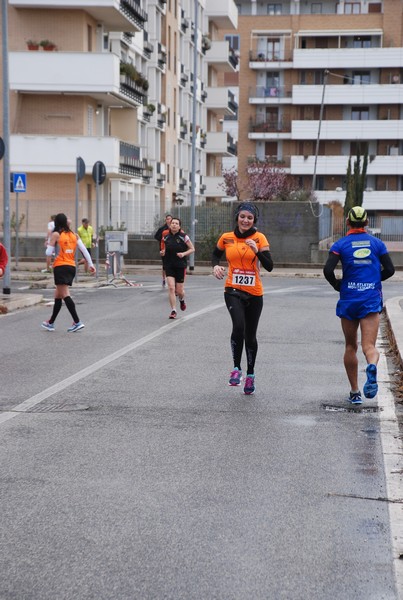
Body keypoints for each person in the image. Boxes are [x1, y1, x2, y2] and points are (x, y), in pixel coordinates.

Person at [323, 206, 395, 405]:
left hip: (349, 298)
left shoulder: (340, 244)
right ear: (366, 223)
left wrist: (338, 284)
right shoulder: (377, 244)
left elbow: (328, 269)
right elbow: (390, 269)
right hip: (370, 298)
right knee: (368, 346)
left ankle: (355, 392)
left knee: (350, 346)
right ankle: (371, 365)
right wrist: (374, 279)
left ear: (347, 222)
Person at [212, 201, 273, 395]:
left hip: (254, 293)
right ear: (237, 217)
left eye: (249, 217)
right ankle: (236, 368)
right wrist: (216, 266)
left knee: (250, 335)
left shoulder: (259, 238)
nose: (245, 220)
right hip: (232, 289)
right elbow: (215, 255)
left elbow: (270, 265)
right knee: (238, 326)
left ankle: (251, 374)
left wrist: (256, 250)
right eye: (242, 216)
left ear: (254, 220)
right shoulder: (226, 238)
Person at [41, 213, 95, 333]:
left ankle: (77, 321)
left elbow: (49, 253)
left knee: (65, 294)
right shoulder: (74, 235)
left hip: (60, 266)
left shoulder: (56, 234)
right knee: (58, 295)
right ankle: (51, 322)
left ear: (56, 223)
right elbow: (84, 251)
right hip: (71, 266)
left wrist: (48, 247)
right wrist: (91, 264)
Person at [160, 217, 194, 319]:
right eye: (172, 223)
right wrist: (163, 252)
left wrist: (183, 254)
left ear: (179, 226)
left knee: (179, 291)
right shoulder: (165, 237)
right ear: (170, 225)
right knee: (171, 288)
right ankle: (173, 310)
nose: (174, 225)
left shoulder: (184, 237)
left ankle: (182, 300)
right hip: (169, 265)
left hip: (180, 266)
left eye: (176, 223)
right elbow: (164, 249)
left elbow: (192, 249)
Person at [154, 214, 172, 286]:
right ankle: (164, 278)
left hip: (172, 249)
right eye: (168, 219)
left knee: (171, 263)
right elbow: (156, 236)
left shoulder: (174, 227)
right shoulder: (162, 229)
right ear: (166, 220)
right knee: (165, 264)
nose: (169, 220)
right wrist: (162, 239)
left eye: (170, 219)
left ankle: (171, 278)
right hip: (164, 248)